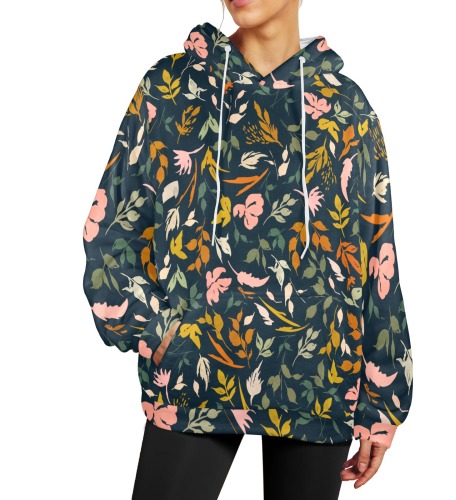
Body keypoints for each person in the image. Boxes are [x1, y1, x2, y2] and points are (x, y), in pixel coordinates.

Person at [82, 0, 414, 498]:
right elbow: (110, 227)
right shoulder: (172, 87)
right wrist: (158, 332)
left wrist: (384, 397)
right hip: (193, 379)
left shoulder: (347, 109)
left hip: (318, 384)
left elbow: (375, 256)